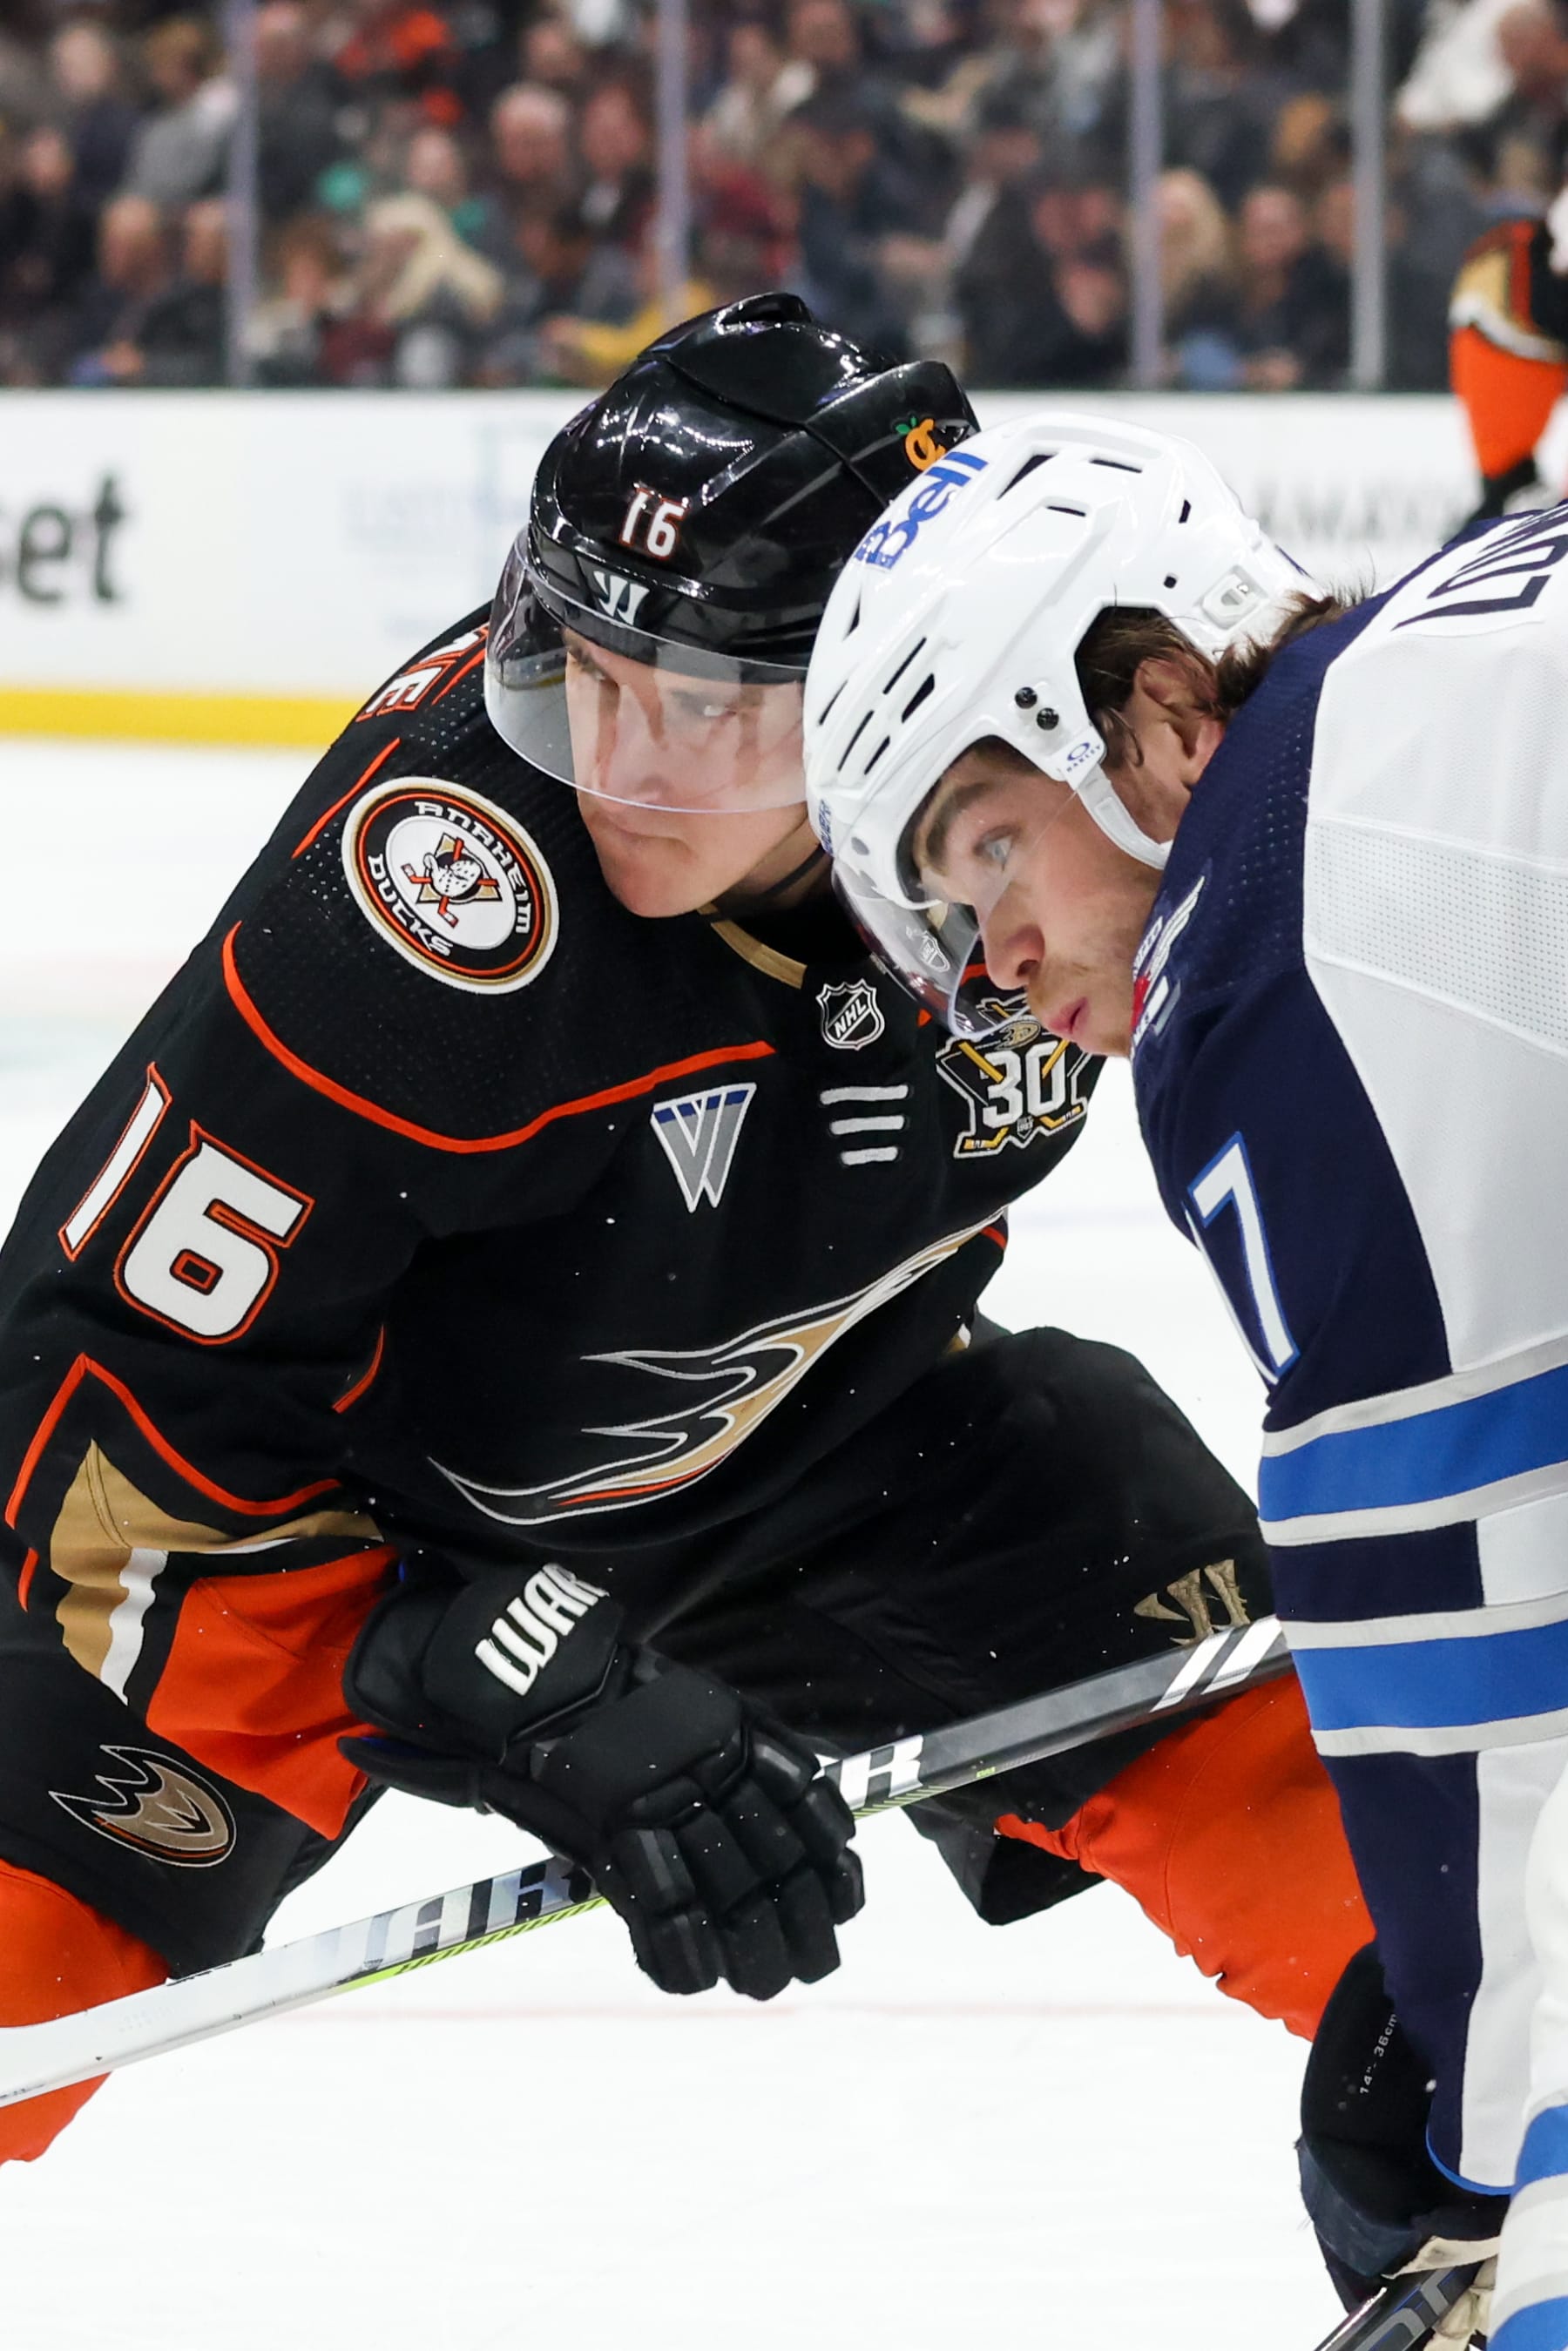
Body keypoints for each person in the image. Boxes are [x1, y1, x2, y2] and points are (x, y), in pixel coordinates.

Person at [0, 301, 1368, 2176]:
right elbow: (92, 1378)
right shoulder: (440, 925)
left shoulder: (1059, 812)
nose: (623, 759)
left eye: (716, 705)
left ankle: (1493, 2163)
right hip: (313, 1532)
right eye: (578, 667)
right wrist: (465, 1654)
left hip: (799, 1433)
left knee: (1368, 1825)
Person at [801, 407, 1568, 2344]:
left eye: (992, 848)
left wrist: (1492, 2145)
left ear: (1149, 712)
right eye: (957, 915)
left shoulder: (1269, 943)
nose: (1001, 959)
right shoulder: (1453, 653)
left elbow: (1478, 1615)